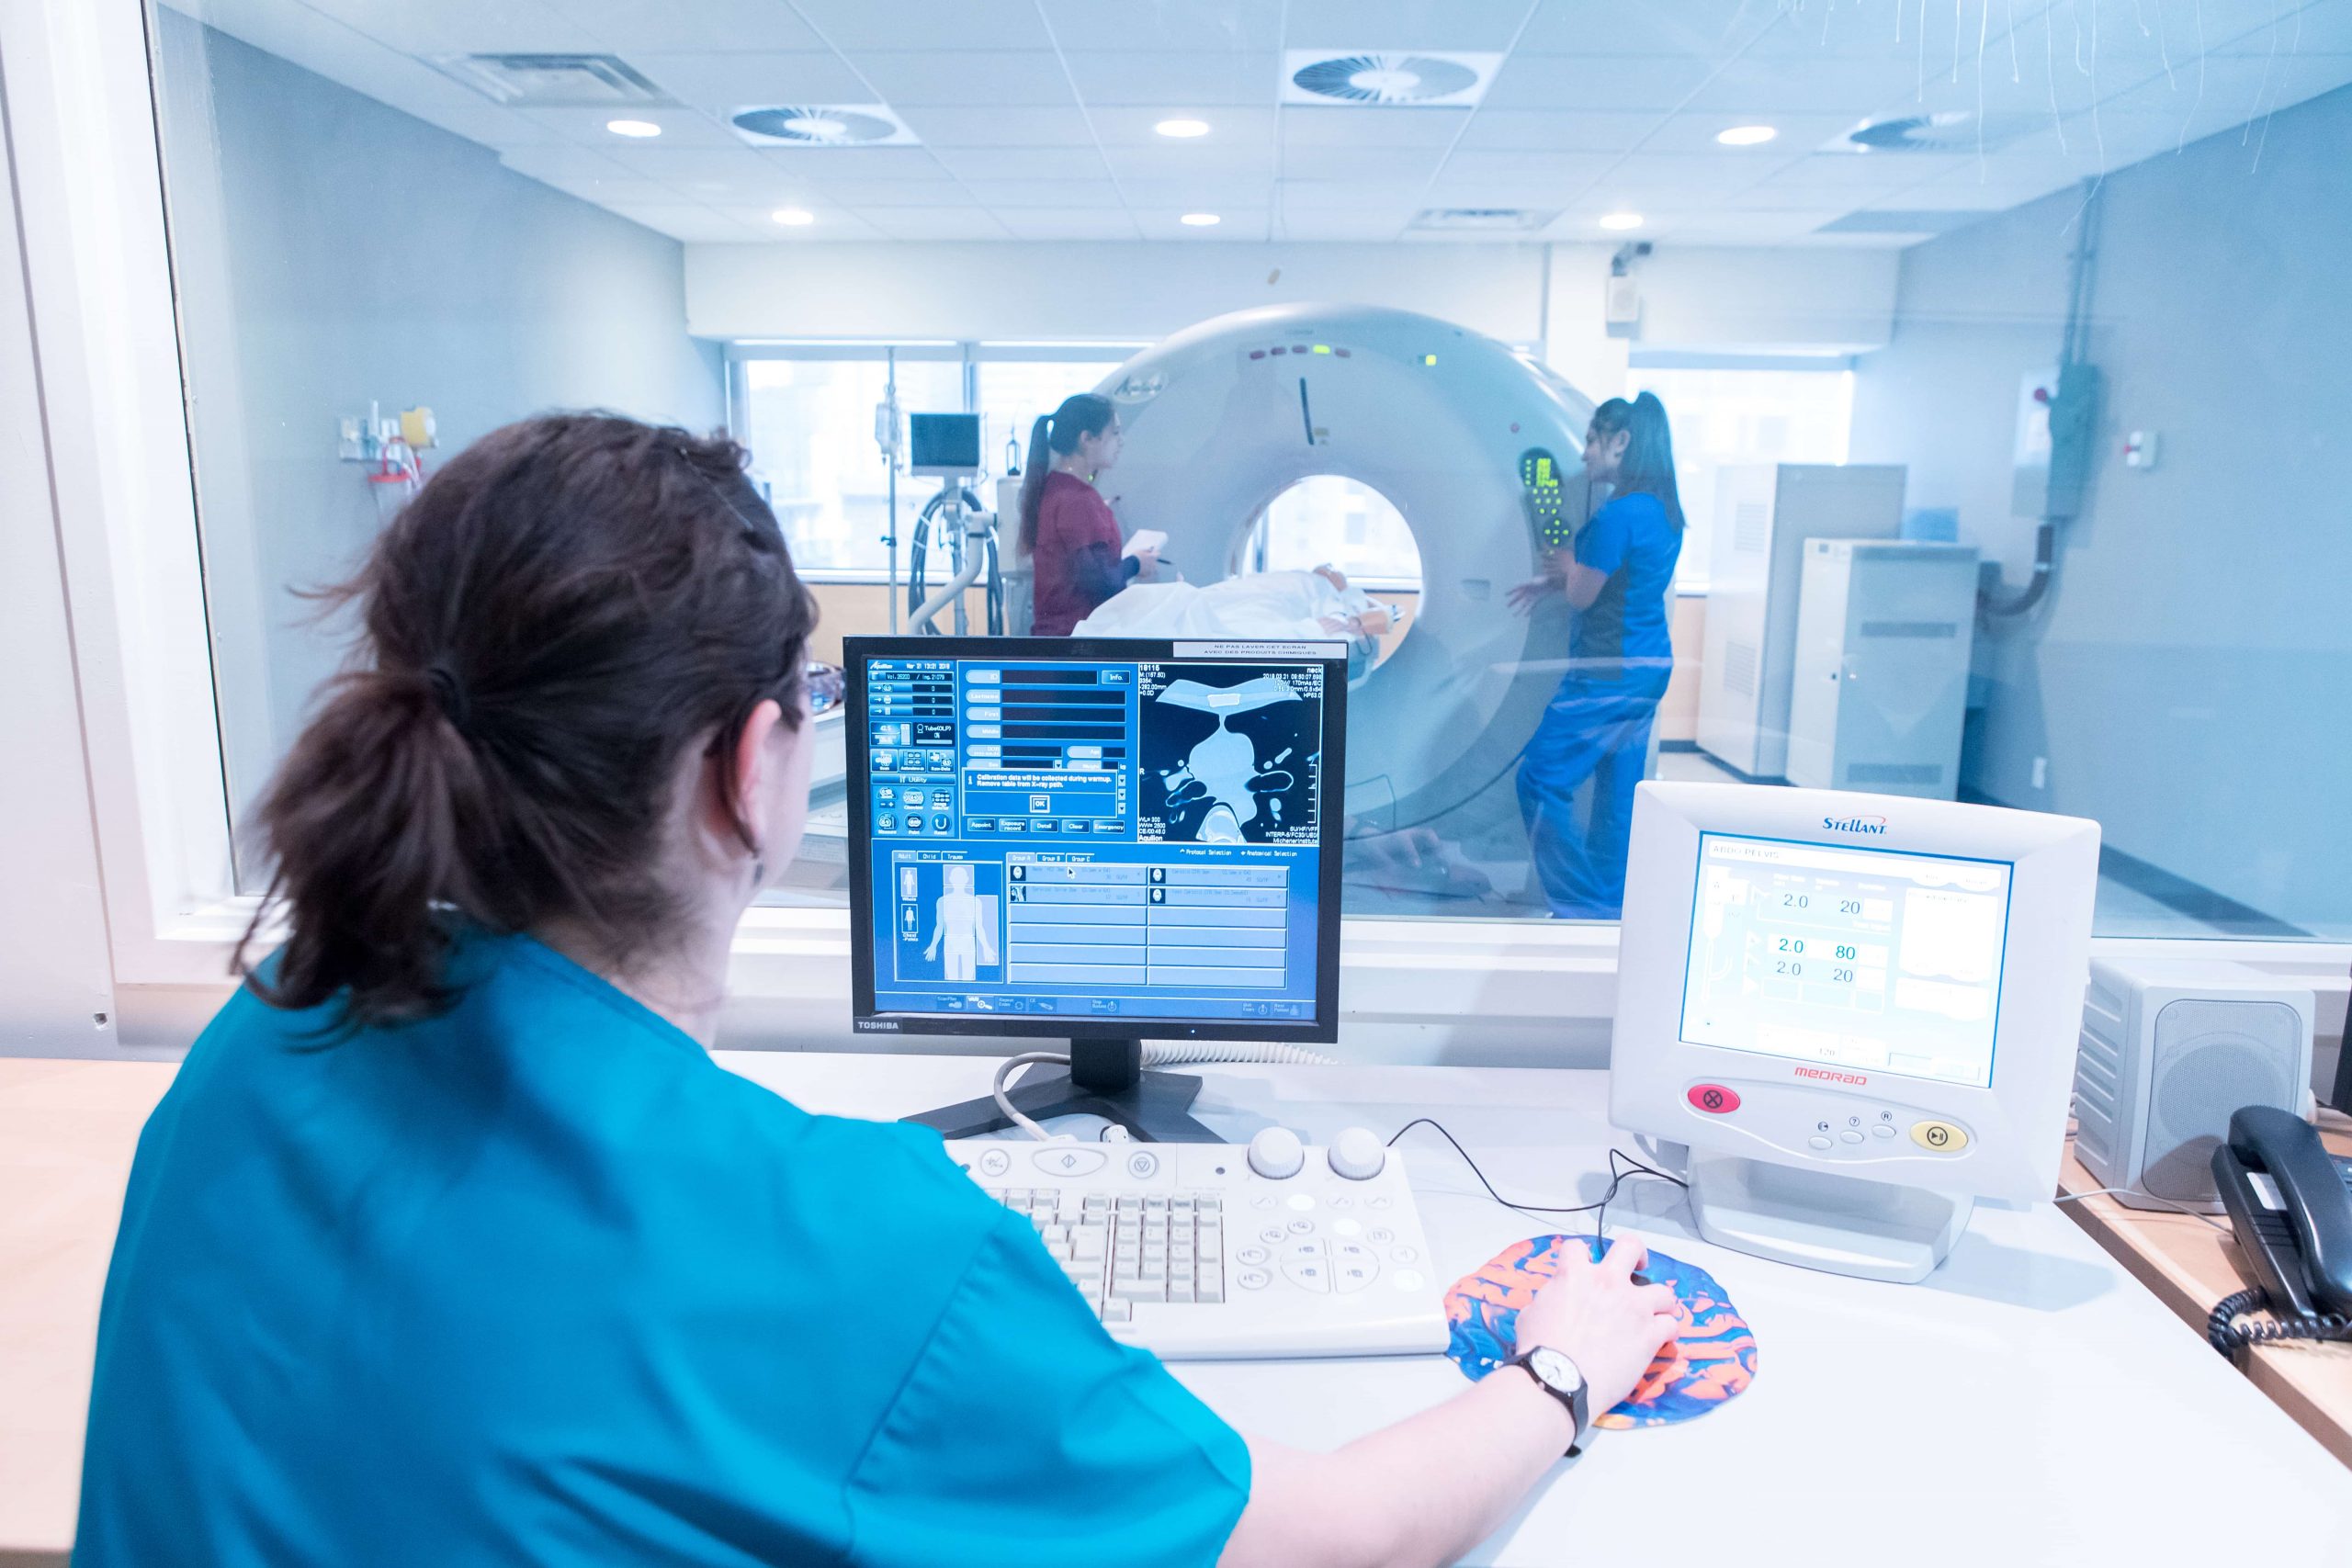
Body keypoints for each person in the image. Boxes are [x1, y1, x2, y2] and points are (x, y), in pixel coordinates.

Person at [74, 412, 1679, 1567]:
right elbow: (1341, 1542)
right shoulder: (844, 1245)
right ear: (754, 769)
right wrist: (1564, 1364)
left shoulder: (268, 1032)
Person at [1509, 392, 1686, 919]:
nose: (1584, 454)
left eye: (1591, 440)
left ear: (1621, 442)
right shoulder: (1663, 510)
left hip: (1608, 672)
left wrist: (1566, 562)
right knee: (1616, 798)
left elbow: (1585, 595)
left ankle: (1582, 907)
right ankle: (1612, 907)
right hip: (1649, 666)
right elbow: (1620, 582)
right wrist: (1562, 577)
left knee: (1539, 780)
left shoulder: (1617, 515)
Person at [1020, 391, 1158, 635]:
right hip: (1078, 638)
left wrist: (1097, 514)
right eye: (1114, 433)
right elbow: (1102, 582)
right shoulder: (1078, 500)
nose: (1121, 441)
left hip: (1057, 634)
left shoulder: (1055, 486)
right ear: (1087, 438)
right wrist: (1138, 562)